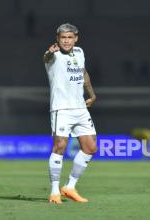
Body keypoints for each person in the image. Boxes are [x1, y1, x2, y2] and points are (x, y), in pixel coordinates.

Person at [44, 23, 98, 204]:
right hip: (62, 109)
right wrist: (50, 52)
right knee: (60, 146)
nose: (66, 41)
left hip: (80, 108)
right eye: (63, 38)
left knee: (90, 148)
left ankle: (69, 187)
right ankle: (54, 192)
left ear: (76, 38)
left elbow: (83, 73)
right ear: (57, 39)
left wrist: (91, 94)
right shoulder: (53, 55)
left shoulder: (80, 52)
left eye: (69, 37)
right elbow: (46, 56)